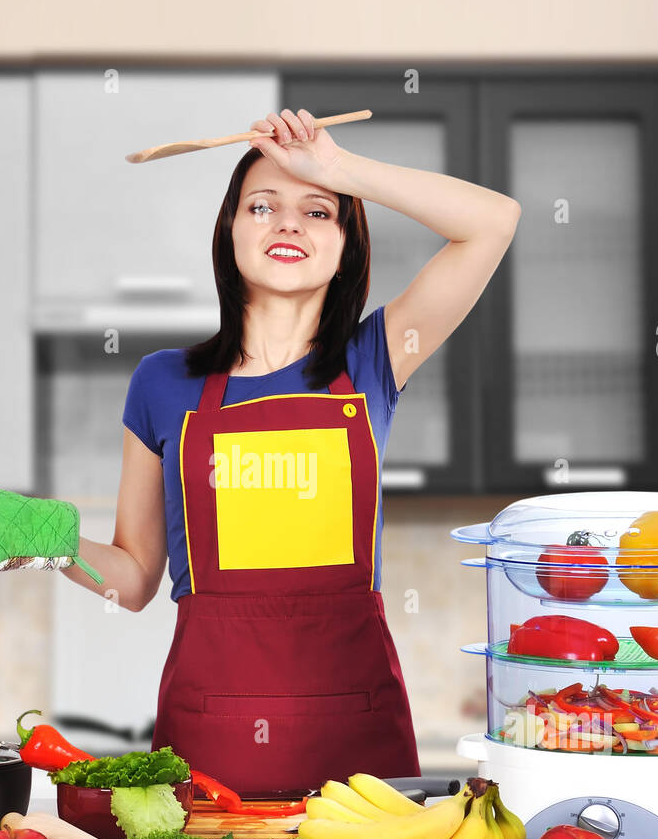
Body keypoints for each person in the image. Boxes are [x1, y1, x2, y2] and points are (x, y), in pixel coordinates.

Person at [63, 108, 520, 795]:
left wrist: (337, 169)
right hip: (208, 757)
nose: (287, 223)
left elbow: (493, 221)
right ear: (230, 231)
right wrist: (38, 536)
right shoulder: (163, 382)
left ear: (346, 249)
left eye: (317, 212)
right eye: (262, 206)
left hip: (359, 765)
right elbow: (131, 581)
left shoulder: (375, 361)